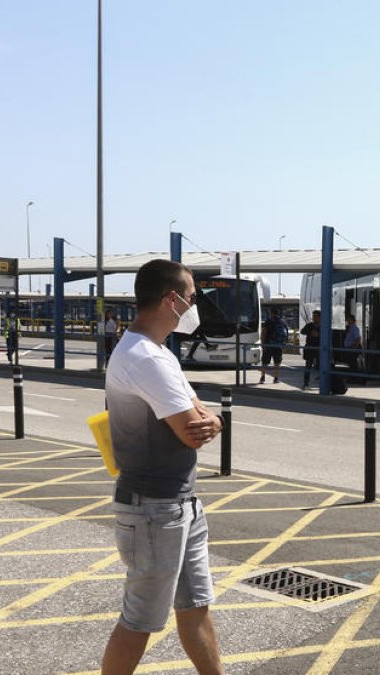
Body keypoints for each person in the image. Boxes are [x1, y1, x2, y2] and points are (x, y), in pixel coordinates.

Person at [101, 258, 225, 675]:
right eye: (190, 298)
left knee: (196, 609)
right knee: (139, 622)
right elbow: (193, 429)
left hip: (180, 502)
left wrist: (216, 421)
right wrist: (208, 423)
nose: (193, 306)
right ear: (170, 300)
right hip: (153, 508)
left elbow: (204, 415)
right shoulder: (144, 358)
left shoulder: (159, 353)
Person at [259, 308, 287, 384]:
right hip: (278, 346)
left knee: (264, 362)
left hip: (268, 345)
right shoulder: (282, 322)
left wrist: (262, 343)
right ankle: (276, 378)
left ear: (271, 313)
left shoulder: (268, 321)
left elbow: (263, 333)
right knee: (277, 363)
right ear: (278, 313)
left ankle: (262, 377)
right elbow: (285, 334)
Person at [300, 309, 322, 390]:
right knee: (308, 366)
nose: (314, 318)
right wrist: (309, 331)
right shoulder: (309, 325)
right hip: (310, 347)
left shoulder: (323, 326)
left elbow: (328, 336)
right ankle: (306, 383)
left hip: (320, 348)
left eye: (315, 316)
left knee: (322, 366)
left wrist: (318, 335)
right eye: (313, 316)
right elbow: (302, 332)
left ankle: (322, 384)